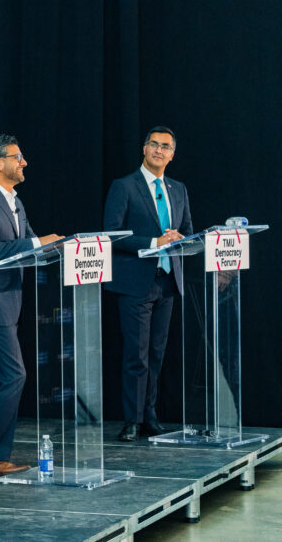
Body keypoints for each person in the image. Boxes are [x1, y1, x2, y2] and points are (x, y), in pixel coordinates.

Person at [0, 133, 62, 478]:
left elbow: (29, 245)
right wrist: (36, 242)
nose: (24, 163)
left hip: (9, 300)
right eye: (17, 157)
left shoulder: (14, 200)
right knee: (12, 375)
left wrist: (59, 246)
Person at [103, 126, 192, 442]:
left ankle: (150, 417)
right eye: (153, 144)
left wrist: (180, 240)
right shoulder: (124, 186)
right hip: (135, 282)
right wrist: (155, 241)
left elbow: (188, 231)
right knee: (136, 355)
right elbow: (113, 235)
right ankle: (132, 420)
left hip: (168, 281)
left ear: (172, 154)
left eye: (165, 146)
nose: (159, 150)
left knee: (156, 354)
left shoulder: (178, 188)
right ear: (144, 149)